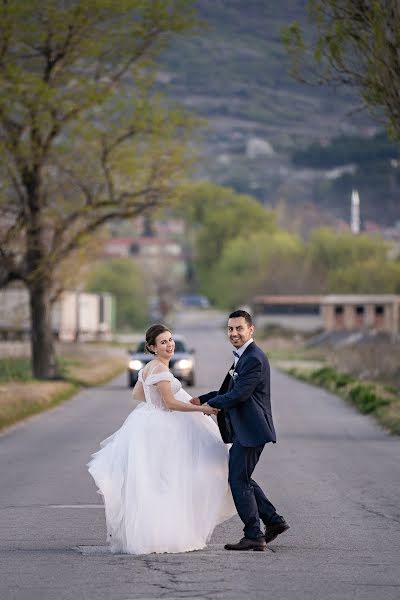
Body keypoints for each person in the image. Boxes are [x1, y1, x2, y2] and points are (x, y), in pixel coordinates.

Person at [87, 324, 235, 555]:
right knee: (167, 481)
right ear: (152, 347)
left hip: (149, 423)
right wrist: (201, 409)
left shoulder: (149, 368)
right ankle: (165, 536)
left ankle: (150, 535)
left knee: (155, 481)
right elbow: (170, 404)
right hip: (163, 428)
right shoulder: (160, 370)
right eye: (163, 342)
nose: (169, 345)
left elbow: (138, 393)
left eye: (170, 340)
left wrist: (155, 399)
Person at [191, 310, 289, 551]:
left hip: (252, 430)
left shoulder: (254, 358)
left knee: (238, 480)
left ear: (251, 329)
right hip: (246, 430)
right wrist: (200, 400)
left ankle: (254, 534)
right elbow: (227, 390)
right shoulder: (243, 357)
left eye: (239, 328)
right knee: (242, 477)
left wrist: (211, 405)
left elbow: (239, 395)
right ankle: (274, 522)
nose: (234, 333)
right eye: (231, 329)